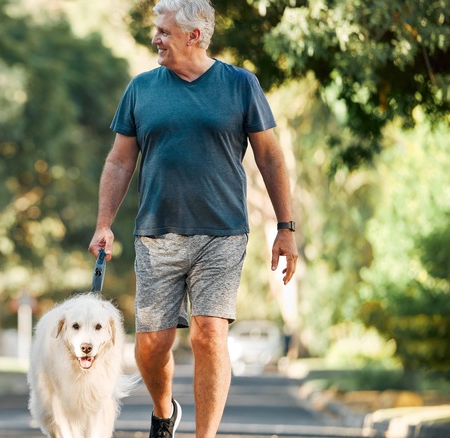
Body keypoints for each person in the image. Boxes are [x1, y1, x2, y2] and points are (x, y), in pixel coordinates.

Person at [87, 1, 298, 437]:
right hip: (156, 234)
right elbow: (120, 162)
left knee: (209, 334)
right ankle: (164, 411)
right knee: (151, 345)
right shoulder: (141, 89)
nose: (155, 39)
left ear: (194, 36)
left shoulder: (240, 84)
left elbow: (270, 158)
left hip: (222, 233)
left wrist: (285, 227)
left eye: (164, 32)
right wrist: (104, 223)